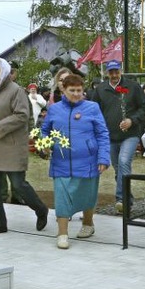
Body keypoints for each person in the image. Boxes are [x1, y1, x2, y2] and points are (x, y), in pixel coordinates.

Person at [0, 57, 49, 235]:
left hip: (11, 146)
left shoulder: (16, 90)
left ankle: (41, 209)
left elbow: (21, 115)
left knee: (18, 185)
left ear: (2, 70)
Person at [40, 73, 110, 248]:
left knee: (87, 195)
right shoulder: (54, 109)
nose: (77, 94)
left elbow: (102, 134)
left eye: (80, 90)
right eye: (73, 90)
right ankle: (62, 234)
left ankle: (88, 224)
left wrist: (103, 157)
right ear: (63, 89)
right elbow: (44, 131)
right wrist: (44, 144)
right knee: (62, 198)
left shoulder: (92, 108)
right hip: (61, 162)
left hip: (88, 161)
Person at [94, 60, 145, 214]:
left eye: (116, 71)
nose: (114, 75)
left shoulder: (133, 87)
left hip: (130, 134)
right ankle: (127, 199)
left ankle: (121, 199)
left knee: (124, 162)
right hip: (109, 136)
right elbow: (94, 110)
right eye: (111, 72)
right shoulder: (100, 89)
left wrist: (132, 120)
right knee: (119, 169)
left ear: (121, 71)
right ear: (106, 73)